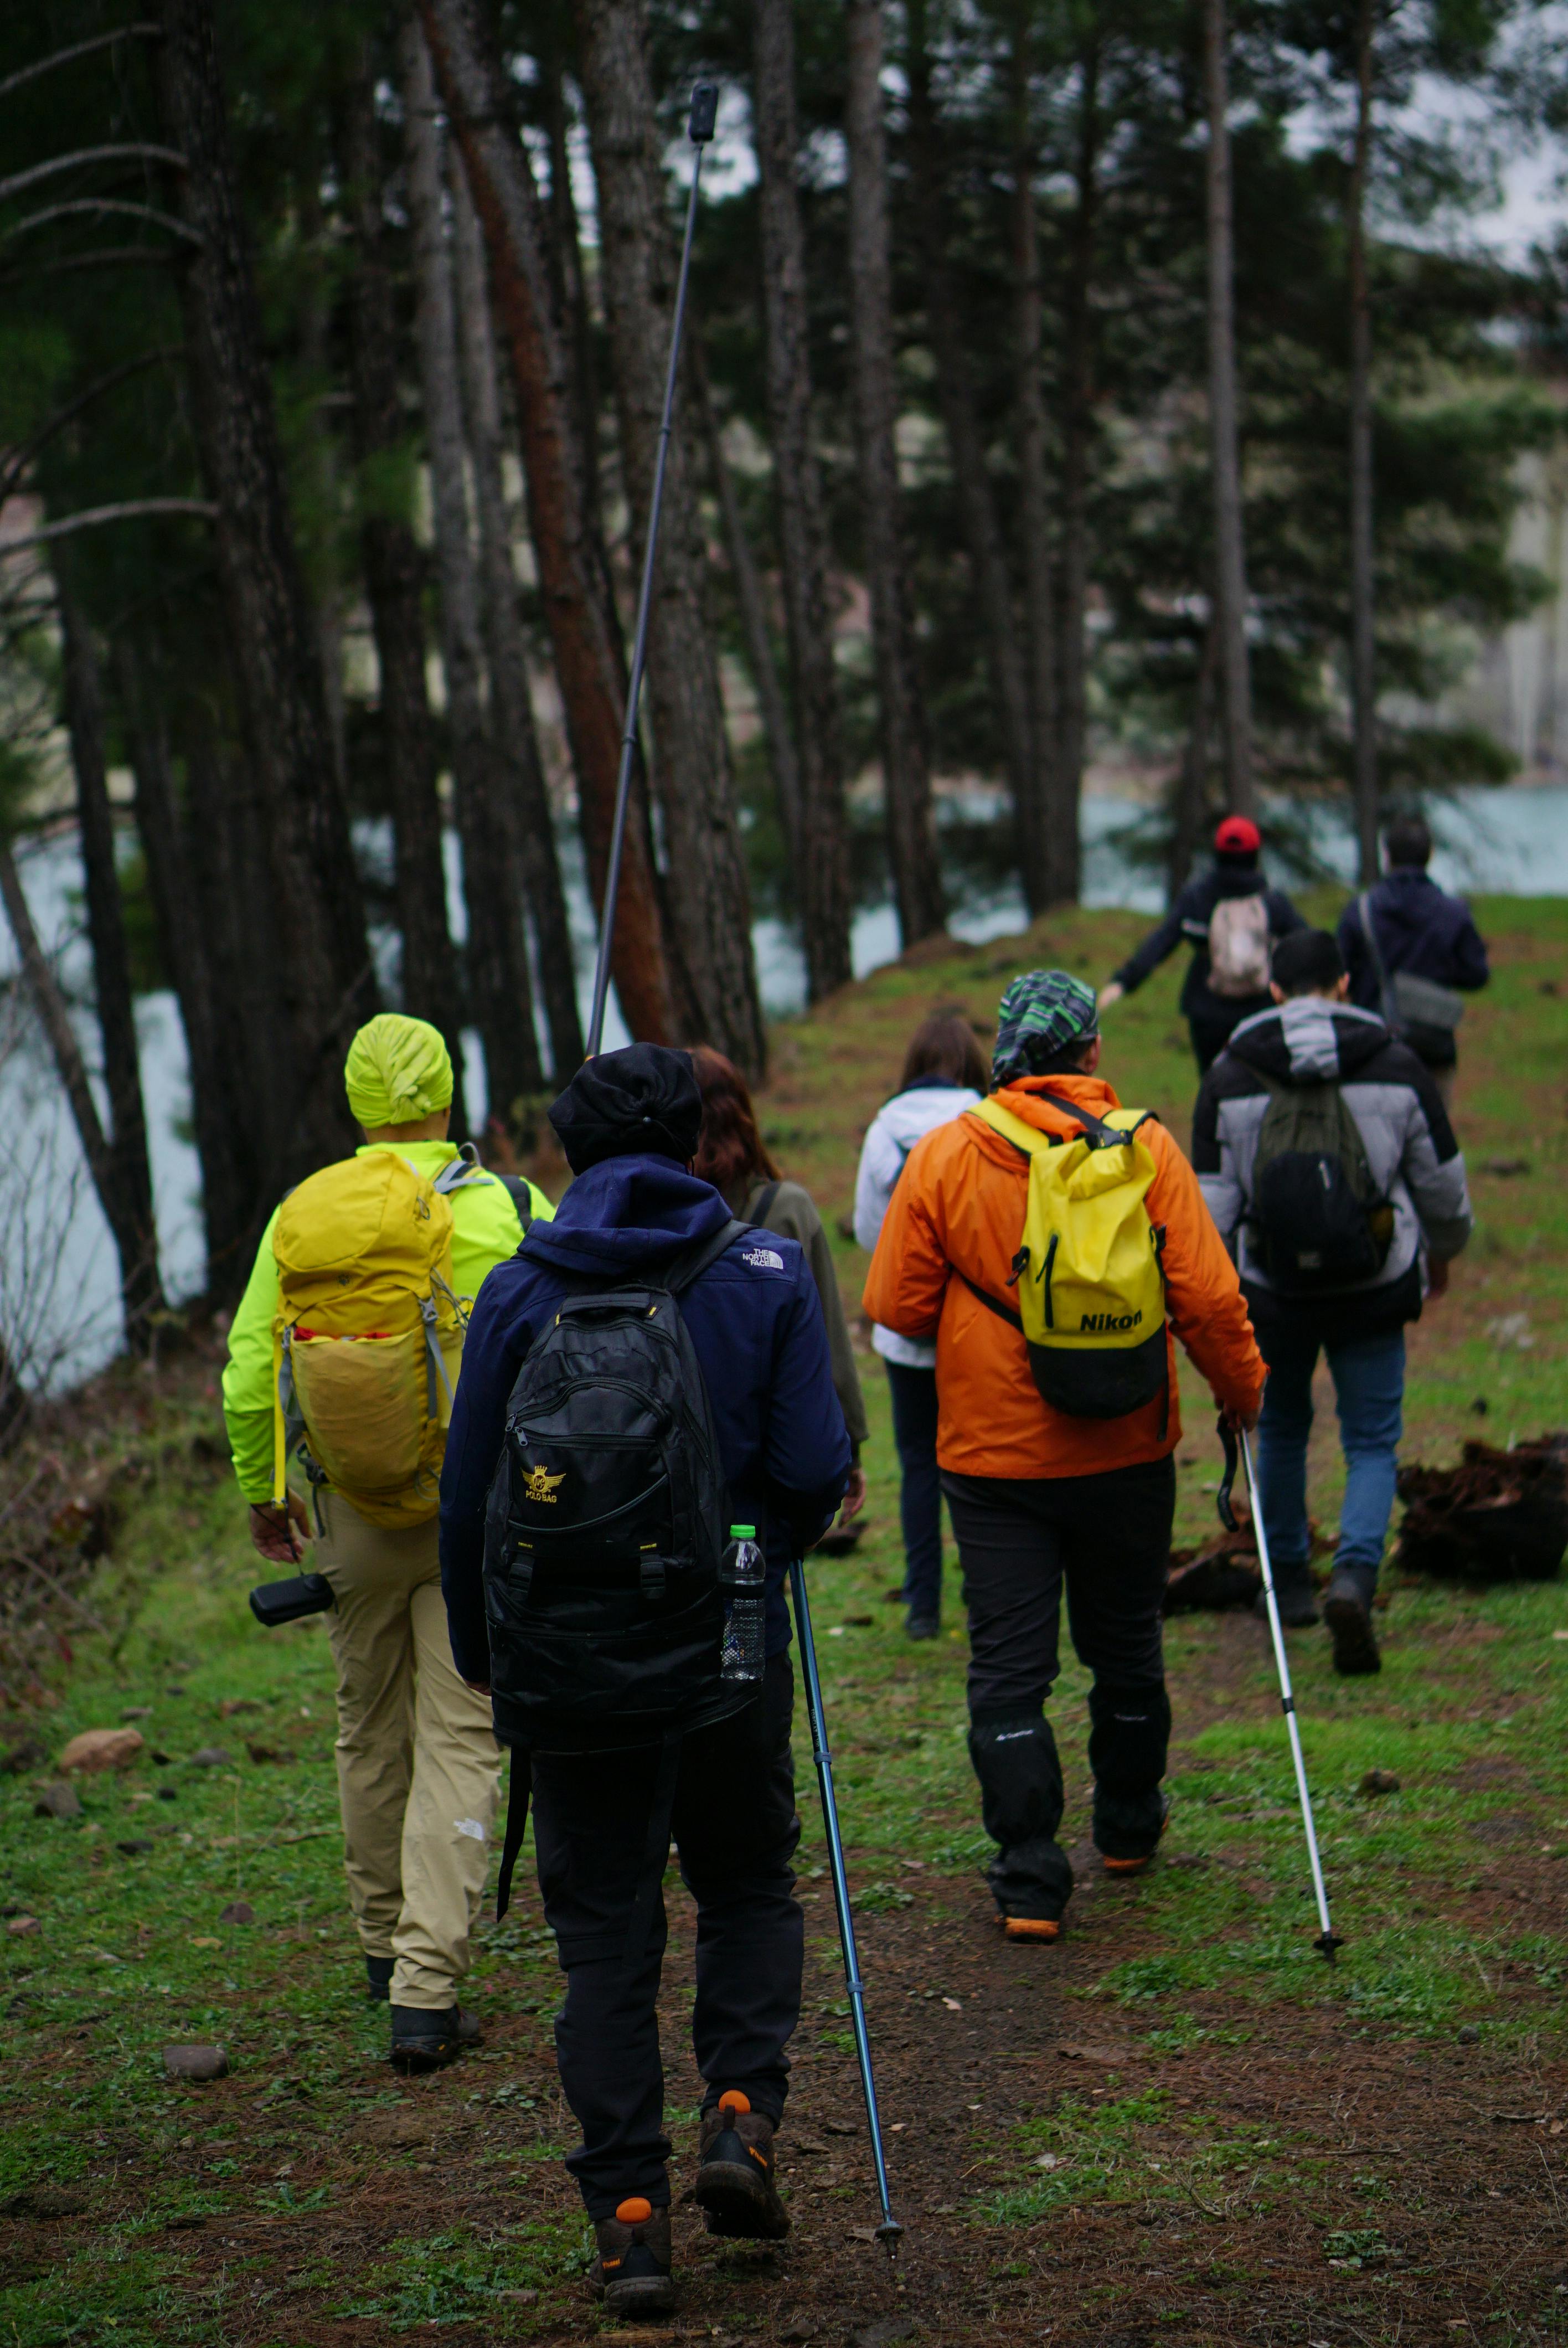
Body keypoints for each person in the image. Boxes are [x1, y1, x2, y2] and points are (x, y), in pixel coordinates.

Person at [439, 1044, 851, 2316]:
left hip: (566, 1670)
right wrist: (754, 1552)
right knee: (740, 1878)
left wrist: (484, 1652)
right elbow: (814, 1465)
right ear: (695, 1144)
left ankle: (627, 2217)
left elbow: (469, 1502)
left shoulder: (515, 1294)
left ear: (565, 1151)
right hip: (725, 1647)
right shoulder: (760, 1270)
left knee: (603, 1938)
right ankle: (739, 2114)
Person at [863, 972, 1265, 1943]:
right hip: (1126, 1445)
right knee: (1124, 1648)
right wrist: (1243, 1394)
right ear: (1090, 1055)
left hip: (993, 1464)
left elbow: (896, 1306)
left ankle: (1030, 1877)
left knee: (1008, 1670)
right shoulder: (1146, 1150)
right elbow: (1208, 1302)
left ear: (1005, 1051)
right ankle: (1127, 1828)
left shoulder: (948, 1153)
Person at [222, 1013, 554, 2072]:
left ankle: (378, 1947)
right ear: (449, 1097)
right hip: (474, 1506)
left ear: (359, 1106)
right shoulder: (508, 1204)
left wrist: (263, 1493)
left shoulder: (305, 1216)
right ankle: (425, 1986)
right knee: (461, 1731)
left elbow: (245, 1369)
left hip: (349, 1512)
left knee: (366, 1725)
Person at [1194, 928, 1473, 1676]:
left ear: (1275, 992)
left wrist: (1225, 1298)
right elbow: (1443, 1184)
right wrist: (1441, 1254)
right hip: (1374, 1284)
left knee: (1280, 1429)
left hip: (1273, 1290)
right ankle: (1353, 1574)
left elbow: (1210, 1209)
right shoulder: (1398, 1061)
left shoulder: (1229, 1073)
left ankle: (1288, 1588)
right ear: (1344, 985)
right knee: (1373, 1438)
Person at [690, 1045, 868, 1526]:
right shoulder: (788, 1210)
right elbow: (829, 1335)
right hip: (770, 1455)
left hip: (678, 1458)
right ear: (742, 1112)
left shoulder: (652, 1215)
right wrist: (848, 1447)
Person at [853, 1010, 987, 1639]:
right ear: (970, 1063)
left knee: (916, 1464)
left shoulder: (884, 1130)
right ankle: (987, 1590)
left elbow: (867, 1230)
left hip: (907, 1338)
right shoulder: (989, 1122)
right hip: (980, 1330)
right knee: (983, 1463)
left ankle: (923, 1607)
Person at [1100, 815, 1306, 1073]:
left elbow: (1162, 941)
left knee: (1213, 1085)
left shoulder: (1197, 898)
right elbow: (1307, 943)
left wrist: (1124, 982)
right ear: (1255, 854)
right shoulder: (1272, 902)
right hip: (1260, 1009)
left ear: (1217, 853)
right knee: (1261, 1081)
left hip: (1208, 1012)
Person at [1336, 812, 1489, 1112]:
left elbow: (1340, 973)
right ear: (1429, 856)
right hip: (1434, 1045)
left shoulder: (1360, 911)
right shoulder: (1453, 912)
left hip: (1374, 1044)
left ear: (1387, 856)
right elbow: (1477, 974)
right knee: (1433, 1142)